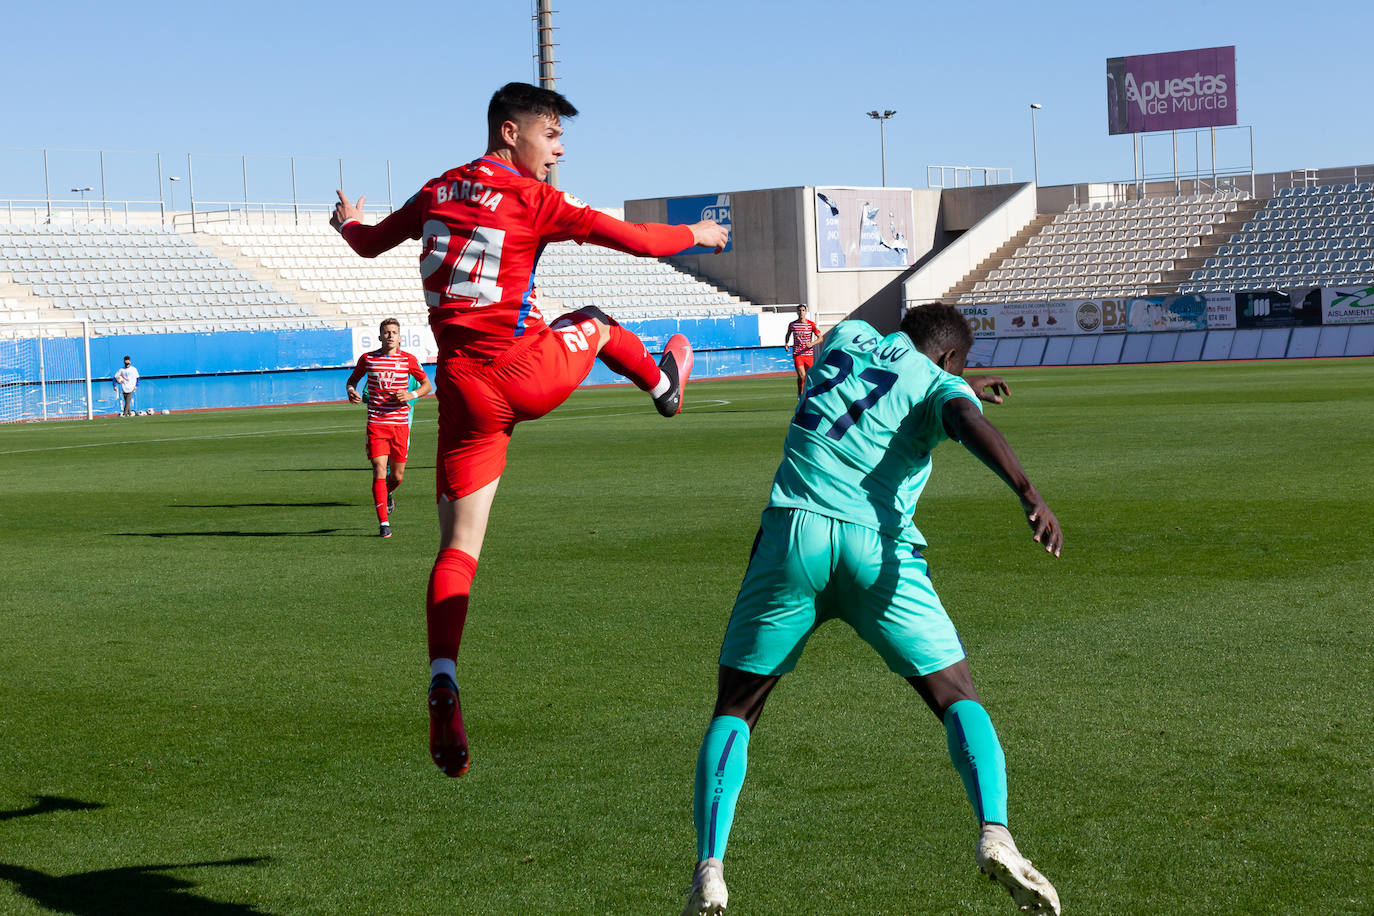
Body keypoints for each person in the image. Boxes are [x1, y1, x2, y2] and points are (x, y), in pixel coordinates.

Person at [331, 81, 729, 778]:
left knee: (458, 549)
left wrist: (345, 224)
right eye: (552, 134)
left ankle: (443, 674)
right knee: (598, 320)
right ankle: (665, 387)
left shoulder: (435, 192)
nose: (560, 148)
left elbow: (366, 246)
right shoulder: (530, 199)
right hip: (522, 372)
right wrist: (697, 234)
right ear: (510, 132)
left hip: (461, 390)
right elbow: (634, 239)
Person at [680, 303, 1061, 916]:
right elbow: (961, 413)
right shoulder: (940, 385)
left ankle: (710, 868)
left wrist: (963, 373)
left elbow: (895, 368)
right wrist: (1028, 491)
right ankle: (996, 831)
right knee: (956, 694)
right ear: (947, 361)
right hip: (875, 546)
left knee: (737, 707)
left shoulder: (847, 336)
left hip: (791, 536)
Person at [344, 318, 433, 538]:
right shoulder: (368, 359)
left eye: (394, 332)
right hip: (377, 423)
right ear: (380, 336)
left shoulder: (408, 360)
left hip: (400, 424)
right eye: (386, 332)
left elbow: (427, 386)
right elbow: (352, 380)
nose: (390, 335)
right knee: (378, 469)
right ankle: (384, 523)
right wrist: (351, 391)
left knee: (398, 475)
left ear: (400, 337)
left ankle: (388, 492)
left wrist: (410, 395)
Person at [781, 304, 821, 396]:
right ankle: (800, 394)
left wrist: (812, 344)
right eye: (799, 310)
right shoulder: (792, 324)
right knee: (802, 375)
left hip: (808, 354)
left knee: (810, 377)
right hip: (797, 354)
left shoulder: (811, 324)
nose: (801, 312)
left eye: (803, 310)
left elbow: (820, 338)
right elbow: (788, 334)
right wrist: (786, 343)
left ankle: (809, 393)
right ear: (797, 312)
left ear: (806, 312)